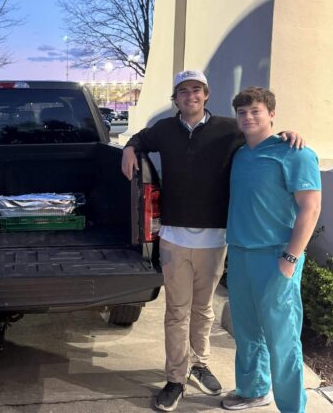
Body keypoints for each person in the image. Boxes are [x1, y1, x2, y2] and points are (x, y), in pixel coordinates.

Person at [121, 70, 303, 412]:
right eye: (183, 91)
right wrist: (129, 148)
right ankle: (175, 379)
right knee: (176, 311)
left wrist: (287, 134)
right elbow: (140, 139)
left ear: (206, 95)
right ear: (175, 98)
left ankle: (199, 363)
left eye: (196, 90)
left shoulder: (229, 128)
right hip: (174, 239)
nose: (190, 96)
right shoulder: (163, 129)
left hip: (216, 239)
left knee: (203, 310)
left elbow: (260, 134)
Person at [221, 87, 321, 412]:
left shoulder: (295, 153)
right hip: (239, 254)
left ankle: (293, 407)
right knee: (247, 333)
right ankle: (253, 390)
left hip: (276, 257)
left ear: (272, 114)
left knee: (282, 340)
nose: (248, 117)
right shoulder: (239, 153)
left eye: (256, 111)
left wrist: (290, 259)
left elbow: (311, 208)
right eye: (242, 112)